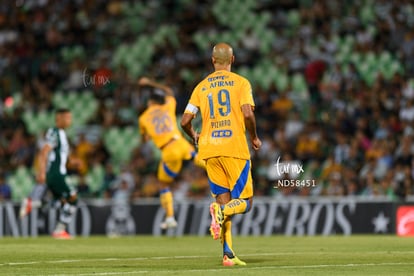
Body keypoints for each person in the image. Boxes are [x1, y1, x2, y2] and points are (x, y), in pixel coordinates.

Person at [181, 42, 262, 266]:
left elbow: (185, 121)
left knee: (222, 200)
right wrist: (254, 137)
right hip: (233, 148)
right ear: (233, 60)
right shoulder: (241, 83)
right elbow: (248, 114)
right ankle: (220, 211)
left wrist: (194, 136)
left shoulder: (201, 87)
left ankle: (228, 254)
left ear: (212, 61)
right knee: (245, 202)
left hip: (209, 149)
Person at [137, 77, 205, 229]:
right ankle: (224, 171)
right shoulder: (167, 106)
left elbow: (144, 139)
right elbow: (169, 91)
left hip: (168, 150)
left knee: (163, 184)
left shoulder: (143, 118)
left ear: (149, 103)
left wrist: (148, 134)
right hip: (180, 142)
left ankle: (170, 217)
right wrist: (150, 83)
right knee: (198, 158)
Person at [20, 108, 78, 239]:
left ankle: (33, 204)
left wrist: (73, 162)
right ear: (59, 118)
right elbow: (44, 152)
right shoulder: (54, 132)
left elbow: (62, 156)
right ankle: (59, 230)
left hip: (58, 172)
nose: (70, 121)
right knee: (73, 197)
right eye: (67, 118)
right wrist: (41, 172)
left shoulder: (63, 134)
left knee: (61, 201)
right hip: (56, 173)